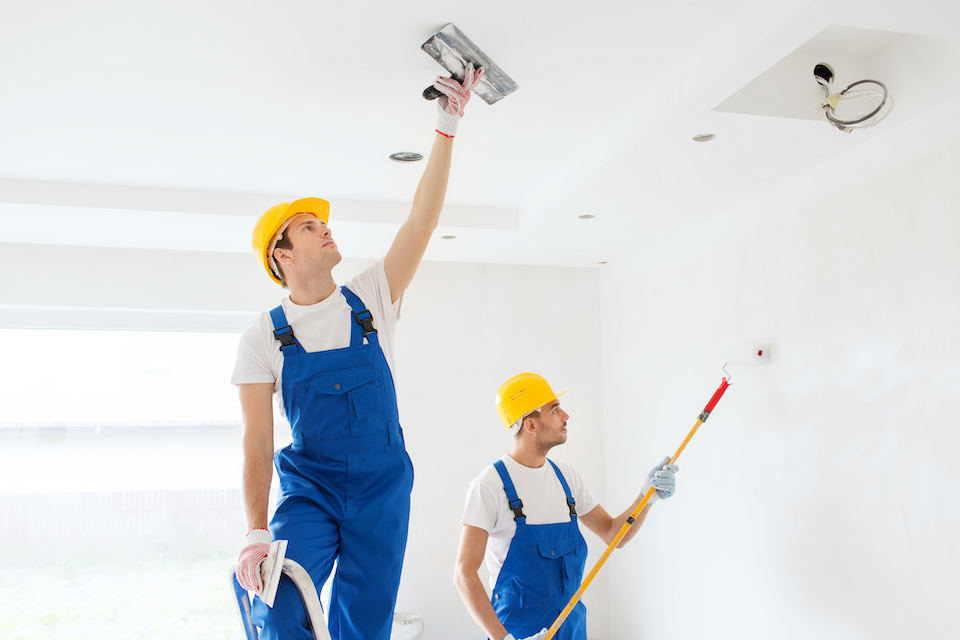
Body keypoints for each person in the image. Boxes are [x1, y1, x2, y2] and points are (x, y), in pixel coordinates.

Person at [231, 66, 484, 640]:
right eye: (307, 227)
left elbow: (422, 220)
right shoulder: (262, 339)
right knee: (277, 603)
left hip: (383, 487)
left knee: (364, 627)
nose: (325, 230)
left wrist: (446, 126)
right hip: (310, 488)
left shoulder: (370, 299)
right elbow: (257, 440)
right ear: (283, 257)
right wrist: (254, 531)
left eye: (322, 222)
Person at [453, 373, 679, 640]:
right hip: (519, 633)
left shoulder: (566, 479)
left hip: (573, 630)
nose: (566, 416)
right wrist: (504, 639)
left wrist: (646, 497)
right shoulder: (490, 486)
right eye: (555, 409)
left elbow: (613, 534)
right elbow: (464, 573)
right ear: (531, 425)